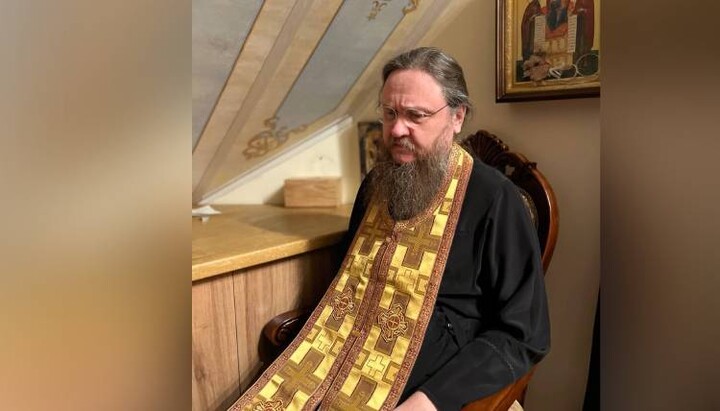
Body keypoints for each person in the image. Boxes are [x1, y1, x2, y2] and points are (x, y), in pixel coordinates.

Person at [229, 47, 550, 411]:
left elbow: (523, 335)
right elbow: (346, 284)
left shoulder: (496, 198)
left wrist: (431, 400)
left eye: (416, 115)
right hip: (336, 361)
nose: (397, 130)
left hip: (426, 387)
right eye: (389, 113)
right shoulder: (376, 184)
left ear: (457, 116)